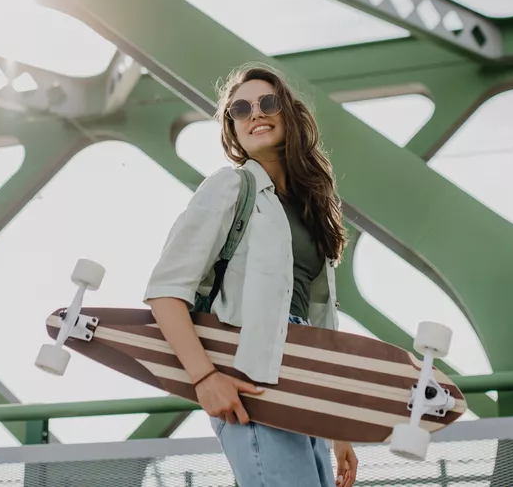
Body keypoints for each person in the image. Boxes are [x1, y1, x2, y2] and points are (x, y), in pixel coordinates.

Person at [143, 64, 358, 487]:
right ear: (232, 129)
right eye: (240, 108)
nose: (255, 112)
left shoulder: (309, 210)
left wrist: (338, 427)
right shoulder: (231, 186)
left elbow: (322, 328)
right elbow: (165, 292)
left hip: (304, 386)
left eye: (268, 102)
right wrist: (204, 379)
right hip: (251, 379)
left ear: (289, 113)